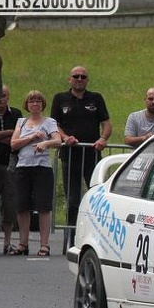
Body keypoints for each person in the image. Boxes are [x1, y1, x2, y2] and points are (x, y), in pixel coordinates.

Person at [51, 66, 112, 244]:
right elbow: (54, 124)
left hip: (91, 155)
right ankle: (72, 238)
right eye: (76, 76)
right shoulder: (60, 99)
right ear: (69, 79)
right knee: (73, 200)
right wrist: (64, 137)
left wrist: (103, 138)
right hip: (70, 155)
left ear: (87, 80)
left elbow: (106, 123)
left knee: (96, 198)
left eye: (83, 77)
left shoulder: (96, 98)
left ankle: (97, 237)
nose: (79, 79)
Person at [9, 90, 62, 256]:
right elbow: (14, 144)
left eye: (38, 101)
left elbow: (58, 140)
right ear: (27, 104)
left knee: (43, 206)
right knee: (21, 206)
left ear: (42, 104)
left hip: (42, 167)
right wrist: (32, 137)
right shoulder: (21, 122)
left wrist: (45, 143)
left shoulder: (49, 122)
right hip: (23, 167)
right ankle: (23, 243)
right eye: (32, 101)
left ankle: (44, 244)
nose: (35, 104)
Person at [0, 84, 22, 254]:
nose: (1, 99)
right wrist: (8, 132)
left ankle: (7, 242)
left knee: (9, 204)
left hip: (9, 164)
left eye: (4, 95)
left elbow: (17, 138)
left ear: (8, 97)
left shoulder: (16, 114)